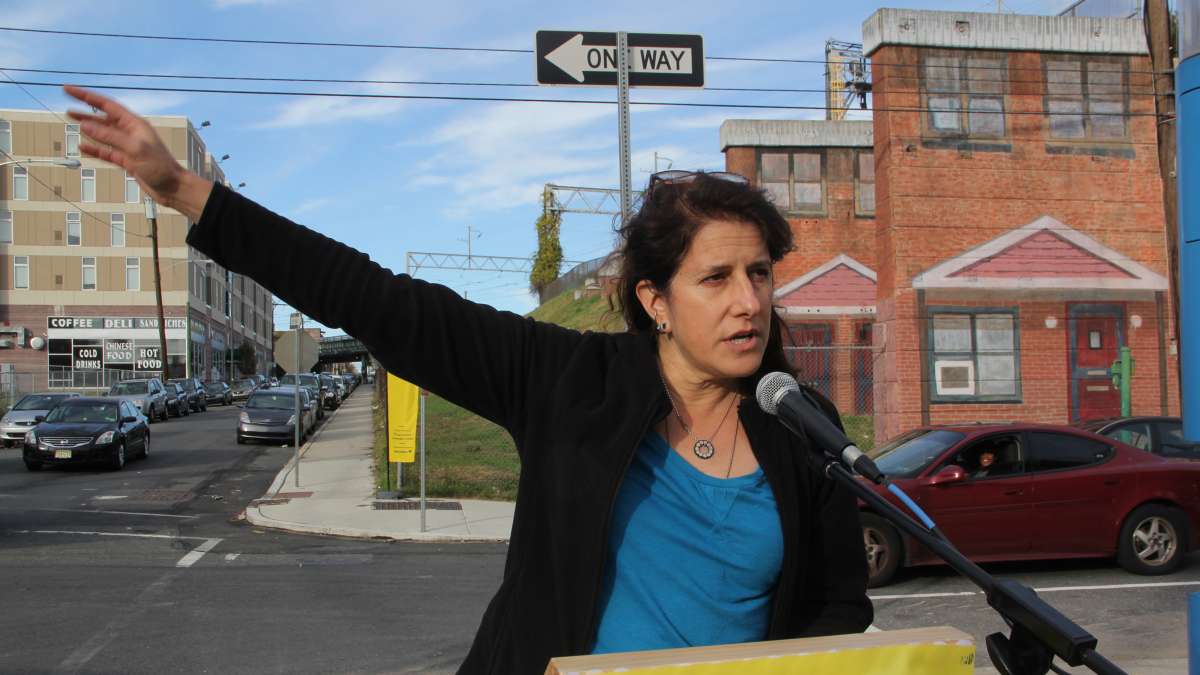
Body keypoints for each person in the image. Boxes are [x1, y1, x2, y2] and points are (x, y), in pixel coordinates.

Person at [62, 85, 873, 674]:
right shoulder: (567, 382)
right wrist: (188, 192)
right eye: (718, 277)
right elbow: (381, 301)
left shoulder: (801, 428)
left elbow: (836, 612)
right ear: (655, 300)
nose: (748, 302)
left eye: (761, 275)